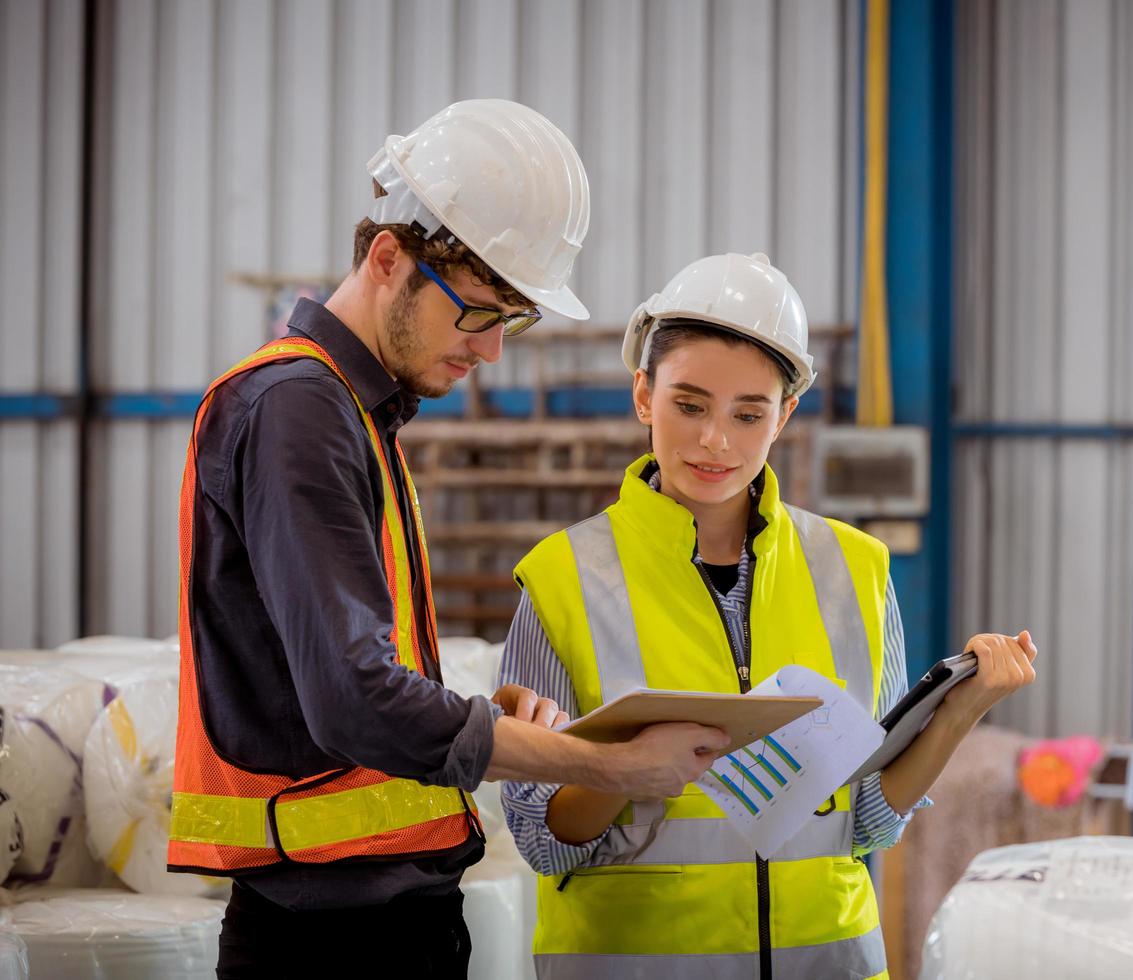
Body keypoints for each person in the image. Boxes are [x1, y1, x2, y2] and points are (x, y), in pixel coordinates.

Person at [167, 100, 728, 980]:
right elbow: (354, 701)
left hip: (359, 920)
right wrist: (608, 764)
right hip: (332, 939)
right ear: (389, 258)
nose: (495, 350)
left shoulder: (353, 414)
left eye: (515, 319)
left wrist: (480, 718)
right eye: (480, 313)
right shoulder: (299, 411)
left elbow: (343, 686)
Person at [500, 251, 1040, 979]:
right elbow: (542, 838)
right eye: (688, 405)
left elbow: (867, 818)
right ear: (642, 394)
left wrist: (965, 706)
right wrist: (628, 768)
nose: (715, 441)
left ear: (784, 415)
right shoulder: (562, 579)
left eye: (748, 414)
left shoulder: (854, 569)